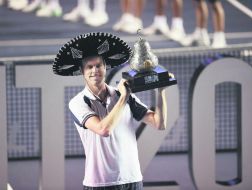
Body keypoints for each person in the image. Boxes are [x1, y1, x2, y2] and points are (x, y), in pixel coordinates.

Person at [53, 32, 168, 189]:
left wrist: (160, 92)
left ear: (105, 67)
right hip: (100, 184)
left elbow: (159, 123)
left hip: (132, 180)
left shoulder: (123, 94)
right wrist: (122, 98)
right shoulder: (78, 102)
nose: (95, 71)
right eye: (89, 67)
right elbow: (103, 129)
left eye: (99, 65)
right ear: (82, 71)